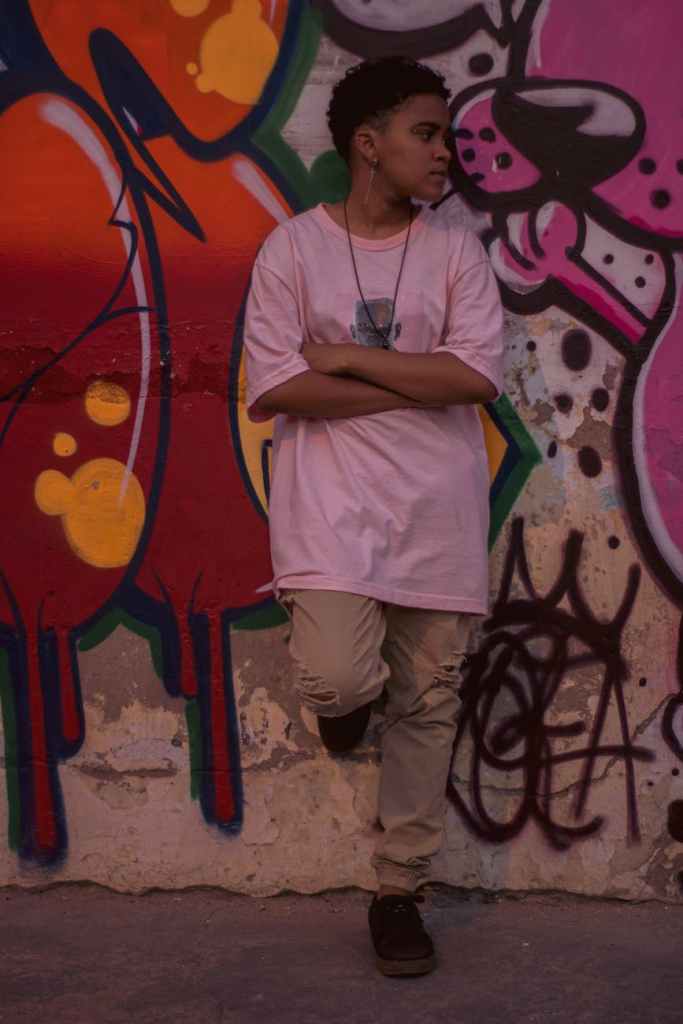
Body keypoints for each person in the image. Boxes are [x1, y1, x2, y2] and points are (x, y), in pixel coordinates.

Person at [243, 55, 504, 977]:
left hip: (436, 516)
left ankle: (398, 893)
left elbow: (474, 378)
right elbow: (277, 386)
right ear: (367, 143)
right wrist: (416, 382)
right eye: (425, 134)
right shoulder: (292, 249)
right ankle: (344, 712)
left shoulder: (455, 253)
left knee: (428, 705)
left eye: (444, 136)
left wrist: (347, 359)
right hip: (328, 515)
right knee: (335, 679)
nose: (443, 153)